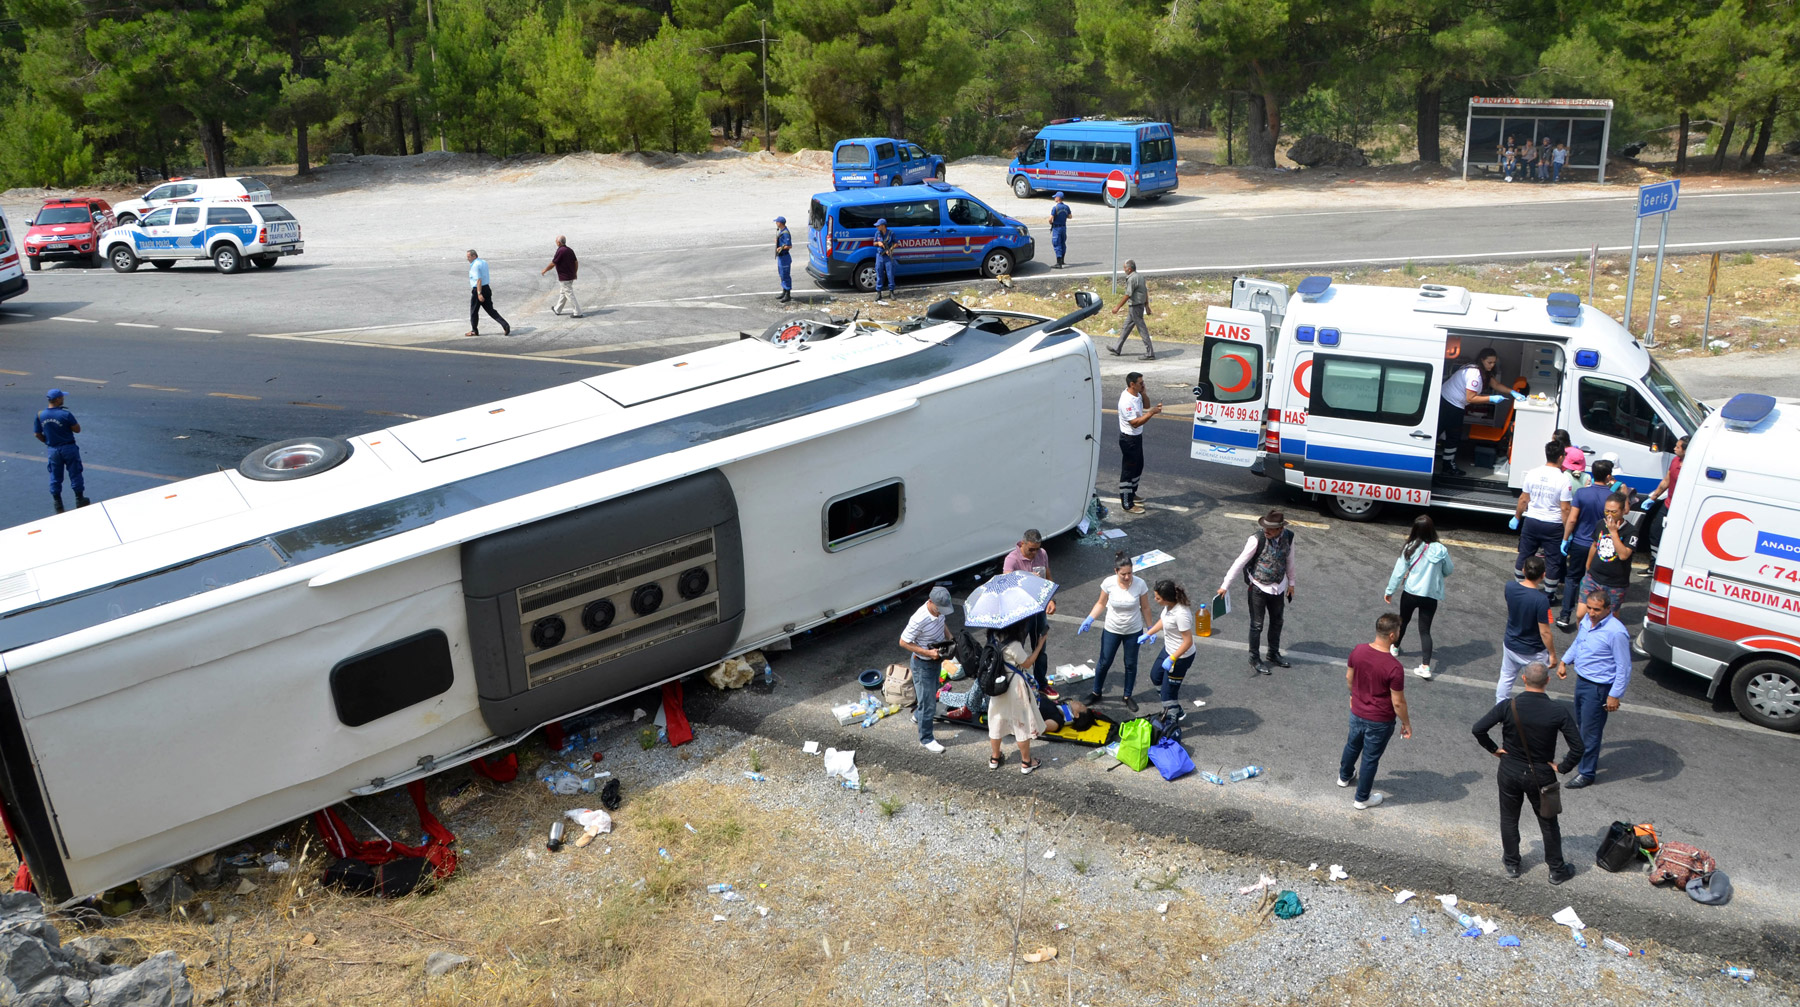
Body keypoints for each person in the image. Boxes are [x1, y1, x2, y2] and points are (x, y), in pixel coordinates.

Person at [1471, 662, 1583, 883]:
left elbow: (1478, 728)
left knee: (1509, 818)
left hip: (1510, 769)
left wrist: (1494, 749)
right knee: (1548, 822)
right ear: (1547, 681)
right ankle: (1556, 869)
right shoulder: (1557, 711)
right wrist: (1562, 767)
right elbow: (1578, 747)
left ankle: (1512, 863)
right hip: (1540, 774)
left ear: (1523, 679)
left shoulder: (1508, 706)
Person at [1558, 589, 1633, 788]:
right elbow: (1578, 642)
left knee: (1591, 731)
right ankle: (1582, 755)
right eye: (1589, 608)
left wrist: (1614, 695)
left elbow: (1624, 667)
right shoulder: (1587, 621)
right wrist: (1565, 660)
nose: (1591, 613)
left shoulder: (1616, 632)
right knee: (1583, 725)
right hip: (1582, 681)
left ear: (1608, 609)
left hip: (1599, 688)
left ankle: (1587, 772)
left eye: (1597, 609)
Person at [1339, 612, 1411, 810]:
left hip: (1357, 712)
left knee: (1352, 745)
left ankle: (1344, 776)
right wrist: (1406, 723)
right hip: (1380, 720)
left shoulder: (1359, 651)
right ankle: (1362, 798)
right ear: (1392, 636)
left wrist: (1353, 696)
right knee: (1370, 759)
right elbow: (1398, 703)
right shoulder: (1394, 667)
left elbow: (1349, 677)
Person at [1219, 510, 1297, 675]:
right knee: (1257, 625)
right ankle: (1254, 657)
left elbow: (1290, 560)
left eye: (1271, 529)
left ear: (1281, 529)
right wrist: (1225, 585)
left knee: (1277, 621)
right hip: (1258, 588)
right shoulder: (1256, 539)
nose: (1266, 531)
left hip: (1278, 587)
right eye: (1264, 527)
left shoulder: (1289, 537)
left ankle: (1273, 653)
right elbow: (1240, 561)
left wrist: (1291, 583)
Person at [1077, 552, 1153, 712]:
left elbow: (1145, 607)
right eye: (1123, 574)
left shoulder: (1140, 584)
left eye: (1130, 573)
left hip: (1133, 630)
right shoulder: (1108, 583)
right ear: (1116, 571)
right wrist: (1090, 618)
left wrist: (1150, 629)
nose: (1127, 577)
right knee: (1104, 662)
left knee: (1131, 664)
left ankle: (1127, 696)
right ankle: (1096, 692)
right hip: (1112, 628)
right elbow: (1100, 603)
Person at [1385, 515, 1453, 680]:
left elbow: (1398, 572)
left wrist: (1390, 591)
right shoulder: (1441, 550)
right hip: (1430, 596)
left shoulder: (1410, 547)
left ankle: (1395, 647)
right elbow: (1448, 570)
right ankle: (1426, 666)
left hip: (1410, 593)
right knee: (1425, 631)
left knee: (1403, 621)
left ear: (1415, 530)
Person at [1558, 457, 1622, 630]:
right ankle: (1596, 616)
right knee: (1595, 581)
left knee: (1572, 578)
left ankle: (1565, 615)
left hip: (1579, 542)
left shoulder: (1582, 494)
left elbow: (1572, 519)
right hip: (1602, 546)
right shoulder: (1612, 498)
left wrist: (1565, 539)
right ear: (1609, 476)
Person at [1437, 348, 1519, 475]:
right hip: (1450, 404)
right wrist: (1491, 398)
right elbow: (1471, 398)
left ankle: (1446, 462)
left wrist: (1512, 392)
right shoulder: (1475, 374)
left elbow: (1496, 385)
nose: (1492, 366)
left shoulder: (1481, 370)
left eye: (1494, 363)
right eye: (1489, 362)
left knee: (1447, 433)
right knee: (1452, 436)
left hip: (1450, 402)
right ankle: (1447, 465)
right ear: (1482, 360)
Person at [1512, 440, 1574, 600]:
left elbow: (1523, 499)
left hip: (1532, 521)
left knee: (1524, 554)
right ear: (1561, 457)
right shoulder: (1563, 480)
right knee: (1553, 561)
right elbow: (1565, 509)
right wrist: (1567, 534)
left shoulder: (1532, 473)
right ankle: (1549, 594)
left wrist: (1517, 517)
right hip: (1553, 525)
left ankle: (1520, 587)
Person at [899, 586, 956, 754]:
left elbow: (942, 622)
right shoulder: (919, 618)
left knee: (931, 694)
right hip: (923, 663)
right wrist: (927, 653)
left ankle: (918, 716)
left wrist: (950, 638)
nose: (941, 613)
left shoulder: (939, 611)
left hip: (935, 660)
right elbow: (903, 641)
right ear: (930, 602)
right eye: (939, 609)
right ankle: (926, 738)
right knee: (928, 703)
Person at [987, 621, 1047, 774]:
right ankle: (1026, 762)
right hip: (1014, 685)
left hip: (997, 683)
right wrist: (1039, 645)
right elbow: (1027, 664)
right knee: (1021, 722)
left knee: (996, 719)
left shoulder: (992, 637)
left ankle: (995, 758)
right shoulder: (1013, 644)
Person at [1002, 529, 1056, 694]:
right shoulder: (1011, 559)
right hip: (1021, 612)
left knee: (1041, 648)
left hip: (1038, 608)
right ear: (1022, 543)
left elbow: (1048, 577)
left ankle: (1041, 683)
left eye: (1037, 549)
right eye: (1031, 549)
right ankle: (1018, 683)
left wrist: (1051, 599)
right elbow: (1006, 585)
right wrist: (1026, 578)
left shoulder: (1042, 554)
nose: (1034, 553)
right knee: (1018, 648)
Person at [1498, 556, 1559, 703]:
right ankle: (1532, 710)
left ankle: (1499, 708)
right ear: (1543, 575)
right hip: (1533, 650)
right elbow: (1545, 632)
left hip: (1511, 644)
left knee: (1506, 677)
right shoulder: (1541, 600)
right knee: (1536, 684)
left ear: (1523, 570)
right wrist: (1552, 654)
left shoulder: (1510, 587)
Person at [1139, 579, 1196, 731]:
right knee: (1155, 676)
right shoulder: (1169, 607)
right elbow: (1163, 621)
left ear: (1166, 598)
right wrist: (1148, 633)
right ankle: (1175, 709)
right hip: (1168, 650)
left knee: (1167, 693)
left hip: (1180, 657)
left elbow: (1188, 642)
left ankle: (1171, 722)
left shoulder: (1181, 614)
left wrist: (1172, 658)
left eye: (1157, 598)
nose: (1155, 600)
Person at [1576, 494, 1637, 626]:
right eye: (1607, 511)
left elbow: (1624, 555)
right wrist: (1588, 566)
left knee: (1610, 620)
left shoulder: (1631, 531)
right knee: (1581, 614)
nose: (1609, 515)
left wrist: (1614, 532)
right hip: (1593, 577)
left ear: (1622, 511)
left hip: (1615, 583)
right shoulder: (1600, 524)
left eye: (1613, 512)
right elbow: (1594, 545)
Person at [34, 388, 88, 513]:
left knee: (55, 475)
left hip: (53, 449)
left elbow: (37, 434)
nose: (63, 399)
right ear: (58, 399)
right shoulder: (65, 414)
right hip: (68, 448)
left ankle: (57, 502)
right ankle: (79, 498)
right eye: (62, 397)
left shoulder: (40, 415)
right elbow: (77, 429)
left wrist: (48, 441)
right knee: (75, 473)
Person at [1116, 371, 1162, 514]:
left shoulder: (1137, 394)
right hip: (1129, 439)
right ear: (1132, 384)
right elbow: (1135, 423)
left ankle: (1132, 493)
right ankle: (1126, 502)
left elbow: (1146, 405)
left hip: (1137, 438)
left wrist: (1144, 393)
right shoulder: (1126, 401)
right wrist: (1151, 413)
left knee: (1138, 466)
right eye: (1141, 383)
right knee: (1128, 471)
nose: (1143, 384)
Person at [1638, 435, 1687, 564]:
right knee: (1655, 532)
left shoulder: (1690, 467)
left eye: (1677, 447)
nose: (1674, 448)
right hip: (1668, 504)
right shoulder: (1675, 461)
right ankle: (1654, 564)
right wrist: (1653, 497)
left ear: (1686, 450)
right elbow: (1667, 480)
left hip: (1681, 508)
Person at [1108, 259, 1154, 359]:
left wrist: (1117, 307)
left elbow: (1128, 294)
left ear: (1129, 269)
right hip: (1138, 306)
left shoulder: (1132, 279)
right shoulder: (1140, 276)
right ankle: (1117, 348)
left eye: (1124, 268)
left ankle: (1150, 353)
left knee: (1142, 329)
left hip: (1135, 307)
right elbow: (1145, 291)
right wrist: (1147, 305)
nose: (1124, 270)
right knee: (1126, 327)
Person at [465, 249, 511, 337]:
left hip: (478, 289)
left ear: (474, 256)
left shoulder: (475, 265)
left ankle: (474, 330)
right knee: (491, 310)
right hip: (487, 288)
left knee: (474, 311)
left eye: (469, 257)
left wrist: (479, 293)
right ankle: (505, 325)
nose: (468, 259)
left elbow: (478, 280)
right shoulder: (483, 262)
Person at [540, 236, 583, 318]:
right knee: (563, 293)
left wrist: (545, 270)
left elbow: (553, 263)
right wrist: (575, 272)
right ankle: (557, 309)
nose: (556, 242)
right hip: (570, 275)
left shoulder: (560, 251)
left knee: (569, 294)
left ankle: (578, 312)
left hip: (565, 277)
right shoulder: (569, 250)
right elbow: (576, 262)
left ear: (559, 242)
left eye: (556, 241)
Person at [872, 218, 898, 304]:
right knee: (879, 273)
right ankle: (879, 293)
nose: (877, 227)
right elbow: (874, 243)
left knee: (890, 273)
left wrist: (890, 249)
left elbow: (896, 243)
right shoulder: (877, 233)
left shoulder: (891, 233)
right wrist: (878, 243)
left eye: (878, 225)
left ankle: (891, 292)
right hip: (879, 255)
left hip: (887, 256)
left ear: (883, 226)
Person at [772, 216, 793, 303]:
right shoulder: (781, 231)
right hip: (781, 257)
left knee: (785, 275)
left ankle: (787, 294)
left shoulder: (785, 233)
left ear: (780, 223)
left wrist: (781, 248)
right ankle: (784, 291)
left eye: (776, 222)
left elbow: (789, 245)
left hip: (785, 257)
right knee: (781, 274)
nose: (776, 223)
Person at [1048, 192, 1071, 268]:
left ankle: (1059, 263)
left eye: (1055, 197)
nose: (1054, 198)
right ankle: (1062, 260)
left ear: (1058, 198)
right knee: (1062, 243)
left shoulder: (1055, 208)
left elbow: (1050, 219)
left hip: (1057, 228)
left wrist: (1051, 222)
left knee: (1057, 244)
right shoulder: (1066, 207)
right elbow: (1070, 216)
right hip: (1064, 227)